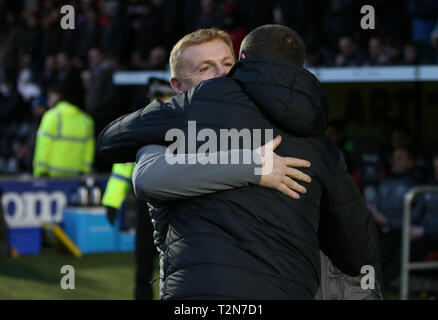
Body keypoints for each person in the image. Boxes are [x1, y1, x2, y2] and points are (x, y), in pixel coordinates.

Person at [98, 26, 380, 299]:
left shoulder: (308, 139)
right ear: (177, 87)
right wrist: (251, 167)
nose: (221, 75)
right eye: (205, 68)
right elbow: (143, 174)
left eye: (227, 64)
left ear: (243, 64)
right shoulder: (175, 125)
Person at [368, 146, 427, 290]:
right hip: (380, 232)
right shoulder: (386, 183)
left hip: (402, 235)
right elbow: (374, 206)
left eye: (400, 158)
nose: (395, 161)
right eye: (394, 158)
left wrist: (389, 222)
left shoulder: (417, 186)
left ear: (410, 162)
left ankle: (378, 288)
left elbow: (416, 218)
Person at [33, 84, 94, 177]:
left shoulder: (51, 116)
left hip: (51, 176)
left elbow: (44, 145)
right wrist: (85, 171)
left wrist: (40, 171)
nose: (48, 100)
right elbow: (89, 149)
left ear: (57, 96)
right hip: (76, 175)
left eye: (50, 96)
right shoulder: (86, 120)